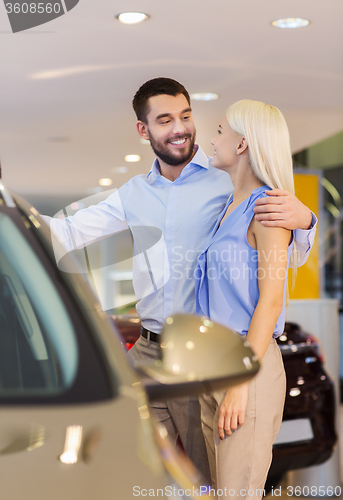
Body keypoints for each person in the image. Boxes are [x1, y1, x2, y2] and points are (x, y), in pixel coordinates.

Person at [42, 78, 316, 485]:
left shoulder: (229, 183)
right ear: (144, 130)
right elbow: (66, 233)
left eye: (186, 116)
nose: (181, 128)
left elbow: (279, 266)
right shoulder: (132, 193)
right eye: (165, 119)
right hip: (149, 355)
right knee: (144, 480)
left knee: (212, 481)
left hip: (204, 357)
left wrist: (307, 219)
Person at [195, 99, 300, 499]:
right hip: (212, 364)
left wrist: (240, 381)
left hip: (246, 366)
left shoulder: (269, 208)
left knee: (238, 493)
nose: (213, 138)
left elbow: (270, 302)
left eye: (220, 130)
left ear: (242, 144)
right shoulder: (228, 207)